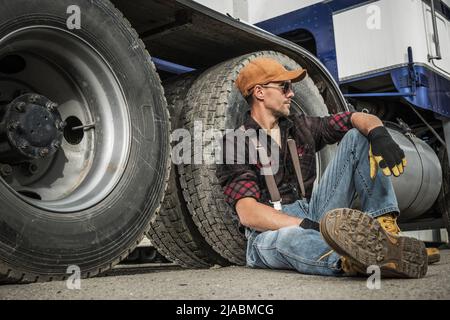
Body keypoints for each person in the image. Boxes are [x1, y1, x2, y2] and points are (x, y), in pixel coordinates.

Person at [216, 57, 429, 278]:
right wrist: (304, 225)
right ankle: (355, 259)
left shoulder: (300, 127)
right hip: (268, 231)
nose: (292, 94)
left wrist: (378, 133)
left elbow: (355, 118)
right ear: (259, 92)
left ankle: (386, 237)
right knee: (290, 238)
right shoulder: (235, 143)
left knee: (358, 135)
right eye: (284, 87)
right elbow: (249, 213)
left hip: (313, 211)